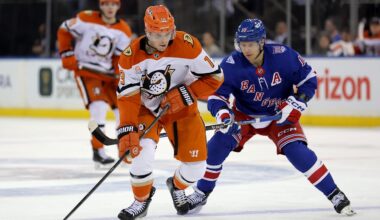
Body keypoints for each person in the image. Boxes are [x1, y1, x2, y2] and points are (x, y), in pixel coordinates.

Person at [187, 18, 356, 216]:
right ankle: (202, 191)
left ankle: (334, 193)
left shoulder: (283, 56)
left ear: (261, 42)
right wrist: (224, 114)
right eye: (242, 44)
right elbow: (217, 96)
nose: (246, 49)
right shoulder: (232, 64)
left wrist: (297, 102)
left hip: (279, 115)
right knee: (216, 146)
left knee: (297, 152)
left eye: (250, 44)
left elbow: (309, 79)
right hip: (243, 116)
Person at [116, 5, 224, 220]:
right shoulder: (130, 56)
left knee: (197, 168)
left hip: (182, 109)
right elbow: (128, 97)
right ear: (147, 32)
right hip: (146, 111)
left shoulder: (188, 45)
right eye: (157, 34)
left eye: (167, 33)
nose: (163, 39)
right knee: (140, 156)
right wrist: (127, 128)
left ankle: (176, 186)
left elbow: (215, 78)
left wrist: (186, 93)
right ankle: (141, 201)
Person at [57, 0, 133, 168]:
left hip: (107, 75)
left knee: (123, 110)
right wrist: (66, 53)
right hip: (86, 72)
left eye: (113, 4)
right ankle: (98, 151)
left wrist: (118, 73)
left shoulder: (123, 29)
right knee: (98, 107)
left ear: (118, 6)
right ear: (101, 6)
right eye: (106, 4)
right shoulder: (85, 18)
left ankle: (124, 151)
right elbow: (64, 29)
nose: (110, 8)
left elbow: (118, 57)